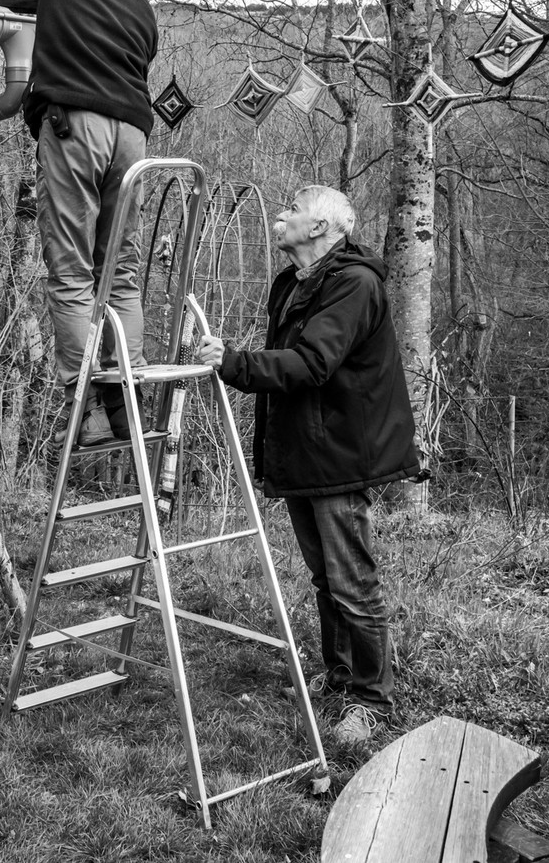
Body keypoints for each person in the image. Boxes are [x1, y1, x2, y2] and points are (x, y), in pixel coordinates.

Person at [195, 185, 420, 744]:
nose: (281, 215)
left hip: (341, 451)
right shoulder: (293, 283)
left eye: (292, 209)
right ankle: (341, 677)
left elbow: (312, 363)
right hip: (306, 450)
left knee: (352, 580)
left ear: (320, 228)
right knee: (326, 579)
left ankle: (372, 699)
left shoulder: (353, 283)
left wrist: (234, 363)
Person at [0, 0, 158, 443]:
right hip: (133, 137)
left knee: (70, 267)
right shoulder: (139, 6)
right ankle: (126, 400)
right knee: (119, 270)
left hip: (78, 123)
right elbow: (62, 10)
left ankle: (85, 405)